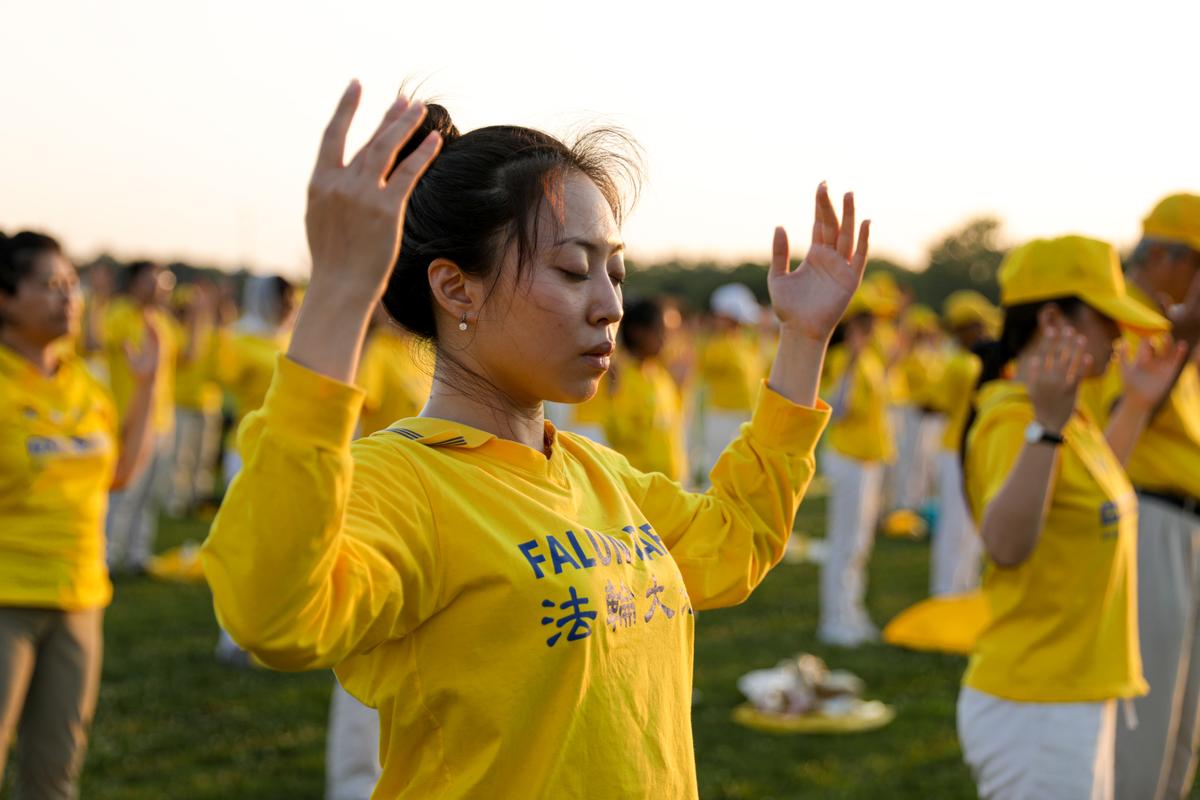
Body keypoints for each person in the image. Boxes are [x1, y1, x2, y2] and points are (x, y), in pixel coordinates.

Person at [201, 84, 869, 798]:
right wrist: (337, 289)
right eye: (574, 270)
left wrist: (803, 341)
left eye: (615, 271)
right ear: (458, 290)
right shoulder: (404, 480)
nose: (611, 305)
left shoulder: (595, 475)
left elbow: (737, 543)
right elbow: (273, 615)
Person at [957, 235, 1185, 800]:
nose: (1119, 334)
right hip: (1037, 706)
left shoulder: (1067, 418)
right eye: (1106, 318)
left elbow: (1098, 500)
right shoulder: (1015, 422)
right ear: (1054, 317)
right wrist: (1047, 427)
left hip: (1073, 695)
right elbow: (1005, 545)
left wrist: (1134, 405)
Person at [0, 231, 158, 798]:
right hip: (7, 600)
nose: (68, 298)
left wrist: (147, 384)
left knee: (55, 777)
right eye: (49, 285)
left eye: (71, 284)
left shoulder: (85, 384)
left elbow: (120, 475)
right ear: (5, 298)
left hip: (79, 601)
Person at [1078, 194, 1200, 800]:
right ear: (1163, 257)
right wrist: (1186, 336)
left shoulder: (1177, 328)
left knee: (1185, 718)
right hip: (1147, 515)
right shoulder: (1121, 319)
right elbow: (1111, 438)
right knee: (1146, 714)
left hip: (1187, 524)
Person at [817, 284, 892, 646]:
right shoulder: (840, 358)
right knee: (845, 541)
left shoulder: (872, 359)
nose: (875, 328)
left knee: (860, 544)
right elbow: (838, 408)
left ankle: (852, 612)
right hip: (848, 458)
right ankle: (835, 620)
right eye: (868, 321)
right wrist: (849, 362)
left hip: (869, 458)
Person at [102, 260, 178, 573]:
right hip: (127, 417)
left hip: (160, 420)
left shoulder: (162, 320)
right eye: (151, 280)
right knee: (122, 493)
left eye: (161, 281)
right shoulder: (120, 314)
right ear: (134, 283)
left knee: (147, 495)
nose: (159, 286)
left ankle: (137, 554)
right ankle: (106, 555)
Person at [929, 290, 998, 596]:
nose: (980, 332)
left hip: (971, 449)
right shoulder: (961, 364)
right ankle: (948, 593)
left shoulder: (970, 360)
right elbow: (942, 405)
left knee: (970, 529)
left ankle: (964, 589)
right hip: (955, 450)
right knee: (956, 528)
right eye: (973, 327)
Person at [602, 297, 688, 483]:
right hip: (638, 488)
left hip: (668, 486)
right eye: (660, 332)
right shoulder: (619, 376)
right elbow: (618, 434)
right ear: (637, 332)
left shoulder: (660, 375)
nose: (666, 340)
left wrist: (681, 388)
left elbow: (674, 423)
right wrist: (612, 394)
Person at [696, 282, 765, 478]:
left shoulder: (745, 343)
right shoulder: (717, 346)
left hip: (747, 416)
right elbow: (704, 366)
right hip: (723, 416)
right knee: (722, 473)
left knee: (742, 474)